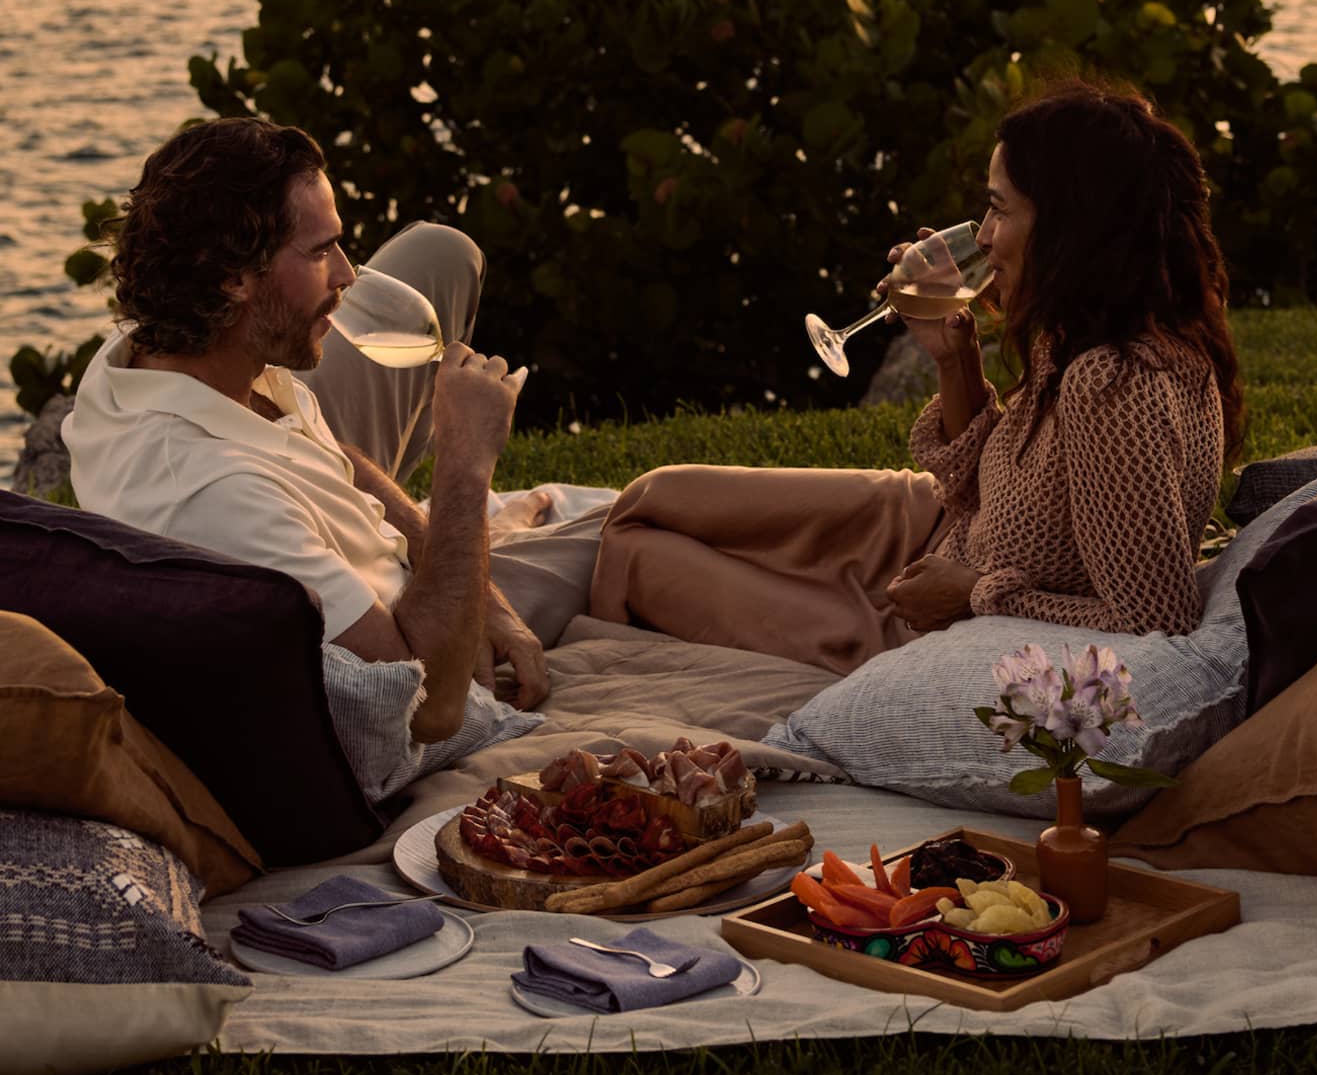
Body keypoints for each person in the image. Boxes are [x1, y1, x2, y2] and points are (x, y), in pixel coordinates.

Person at [590, 78, 1244, 673]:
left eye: (1000, 209)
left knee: (635, 555)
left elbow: (1155, 625)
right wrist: (953, 354)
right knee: (653, 497)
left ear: (1073, 230)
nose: (983, 236)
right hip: (931, 526)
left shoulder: (1113, 385)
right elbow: (998, 486)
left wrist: (970, 594)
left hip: (920, 629)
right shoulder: (1092, 330)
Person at [64, 119, 611, 743]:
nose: (348, 274)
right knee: (637, 531)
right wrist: (464, 466)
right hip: (422, 627)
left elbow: (332, 457)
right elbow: (428, 710)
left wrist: (470, 578)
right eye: (321, 251)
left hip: (412, 574)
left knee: (640, 522)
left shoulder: (157, 358)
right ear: (231, 277)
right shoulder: (215, 496)